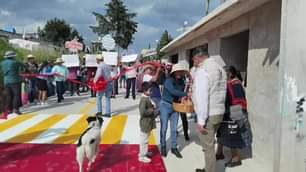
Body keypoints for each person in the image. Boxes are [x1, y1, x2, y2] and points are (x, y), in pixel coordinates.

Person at [191, 47, 227, 172]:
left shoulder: (203, 70)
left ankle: (209, 170)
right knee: (210, 145)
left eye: (194, 59)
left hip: (208, 113)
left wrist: (201, 121)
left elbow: (202, 97)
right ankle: (207, 168)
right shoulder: (219, 67)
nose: (194, 62)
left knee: (208, 147)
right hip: (219, 111)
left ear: (198, 57)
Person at [216, 66, 252, 168]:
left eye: (222, 74)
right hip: (227, 111)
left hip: (235, 110)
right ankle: (219, 153)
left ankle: (236, 158)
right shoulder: (228, 83)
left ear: (230, 74)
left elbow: (238, 101)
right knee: (221, 132)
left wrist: (235, 114)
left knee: (232, 132)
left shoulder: (235, 84)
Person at [159, 62, 188, 158]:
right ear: (174, 72)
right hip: (165, 106)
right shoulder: (168, 81)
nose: (179, 73)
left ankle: (174, 148)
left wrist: (183, 98)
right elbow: (173, 91)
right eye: (177, 72)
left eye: (180, 72)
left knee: (174, 129)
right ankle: (163, 146)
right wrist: (185, 95)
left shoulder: (182, 82)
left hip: (175, 106)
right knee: (164, 129)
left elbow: (180, 94)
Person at [138, 82, 158, 163]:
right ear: (144, 91)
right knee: (144, 140)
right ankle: (142, 156)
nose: (151, 92)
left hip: (148, 123)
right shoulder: (144, 100)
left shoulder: (147, 97)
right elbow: (142, 112)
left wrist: (152, 106)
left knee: (146, 138)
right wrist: (152, 110)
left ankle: (145, 152)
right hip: (145, 123)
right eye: (150, 90)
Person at [0, 51, 25, 116]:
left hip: (6, 81)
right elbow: (24, 67)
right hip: (15, 81)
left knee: (9, 95)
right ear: (13, 56)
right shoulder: (15, 62)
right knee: (16, 95)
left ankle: (9, 109)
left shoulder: (2, 63)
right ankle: (16, 109)